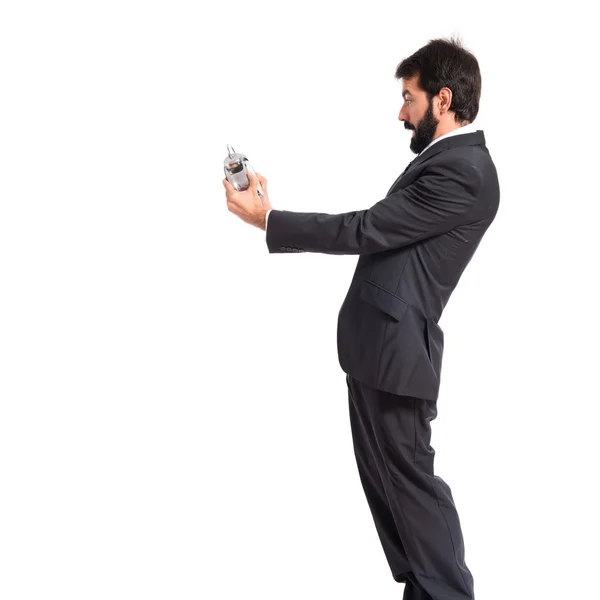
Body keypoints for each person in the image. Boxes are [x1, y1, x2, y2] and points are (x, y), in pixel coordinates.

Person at [223, 36, 499, 600]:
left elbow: (367, 228)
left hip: (398, 358)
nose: (402, 112)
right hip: (376, 353)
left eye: (409, 98)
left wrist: (269, 221)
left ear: (442, 100)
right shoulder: (448, 163)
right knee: (390, 493)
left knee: (413, 490)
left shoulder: (465, 171)